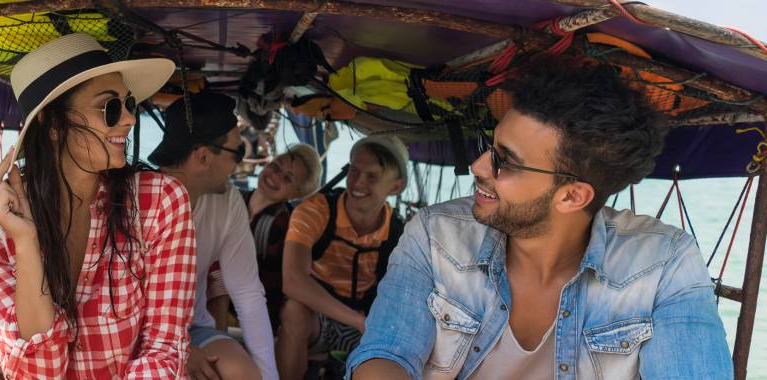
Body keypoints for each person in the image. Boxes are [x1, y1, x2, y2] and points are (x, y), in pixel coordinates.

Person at [348, 55, 731, 379]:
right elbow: (386, 353)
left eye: (505, 161)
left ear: (571, 196)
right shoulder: (436, 235)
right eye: (489, 145)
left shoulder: (663, 264)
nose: (478, 165)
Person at [0, 33, 197, 379]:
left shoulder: (159, 202)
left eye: (129, 105)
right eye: (110, 108)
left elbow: (163, 348)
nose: (129, 119)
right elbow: (38, 373)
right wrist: (26, 246)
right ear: (54, 125)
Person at [149, 92, 278, 380]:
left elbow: (246, 293)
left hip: (192, 327)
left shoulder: (227, 201)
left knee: (241, 373)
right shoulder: (139, 200)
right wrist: (178, 350)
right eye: (237, 152)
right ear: (204, 156)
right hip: (135, 330)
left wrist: (269, 376)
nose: (238, 165)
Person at [276, 136, 410, 380]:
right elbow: (293, 281)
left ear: (395, 186)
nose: (358, 183)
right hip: (321, 319)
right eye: (354, 171)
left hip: (369, 326)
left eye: (372, 176)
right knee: (294, 310)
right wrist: (358, 321)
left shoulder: (401, 234)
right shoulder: (315, 211)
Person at [205, 144, 324, 332]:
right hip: (213, 298)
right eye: (276, 166)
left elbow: (264, 289)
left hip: (247, 315)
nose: (275, 176)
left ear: (296, 193)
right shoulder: (234, 199)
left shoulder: (283, 226)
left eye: (287, 178)